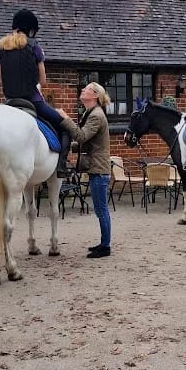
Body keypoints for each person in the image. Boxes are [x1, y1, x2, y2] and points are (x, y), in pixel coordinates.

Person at [0, 9, 71, 177]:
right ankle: (61, 167)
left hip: (9, 101)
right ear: (31, 29)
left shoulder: (2, 47)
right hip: (33, 100)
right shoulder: (35, 46)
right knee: (64, 126)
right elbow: (43, 81)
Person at [60, 83, 112, 258]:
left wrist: (66, 119)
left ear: (95, 95)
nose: (83, 90)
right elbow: (86, 142)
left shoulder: (96, 115)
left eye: (87, 89)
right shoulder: (91, 113)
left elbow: (81, 136)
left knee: (101, 209)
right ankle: (104, 243)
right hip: (96, 168)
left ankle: (105, 247)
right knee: (100, 209)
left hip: (98, 169)